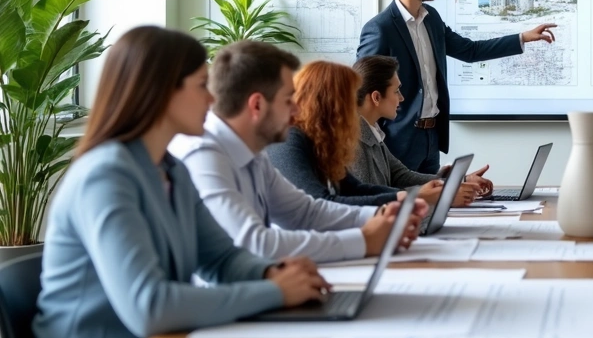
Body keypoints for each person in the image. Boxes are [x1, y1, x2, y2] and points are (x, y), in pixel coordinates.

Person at [31, 28, 331, 338]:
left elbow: (221, 259)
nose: (212, 98)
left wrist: (274, 272)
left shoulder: (171, 168)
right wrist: (276, 292)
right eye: (202, 84)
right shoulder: (106, 177)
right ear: (161, 92)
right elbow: (150, 307)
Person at [171, 40, 426, 264]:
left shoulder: (253, 153)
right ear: (257, 105)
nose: (297, 109)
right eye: (288, 99)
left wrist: (379, 214)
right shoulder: (204, 155)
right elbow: (254, 242)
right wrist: (363, 240)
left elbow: (306, 212)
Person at [357, 0, 558, 173]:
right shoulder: (380, 28)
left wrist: (522, 38)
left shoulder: (431, 19)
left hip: (431, 138)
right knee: (403, 205)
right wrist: (379, 139)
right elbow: (363, 90)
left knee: (433, 204)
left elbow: (470, 51)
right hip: (398, 141)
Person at [266, 61, 431, 207]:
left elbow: (352, 189)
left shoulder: (319, 139)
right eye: (348, 100)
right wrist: (408, 198)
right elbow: (320, 202)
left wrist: (403, 196)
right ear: (326, 103)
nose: (354, 107)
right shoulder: (288, 139)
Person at [351, 54, 490, 208]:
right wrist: (431, 196)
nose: (401, 98)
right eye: (396, 91)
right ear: (376, 97)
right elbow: (366, 199)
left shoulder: (371, 131)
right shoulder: (351, 140)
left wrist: (458, 182)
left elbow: (400, 175)